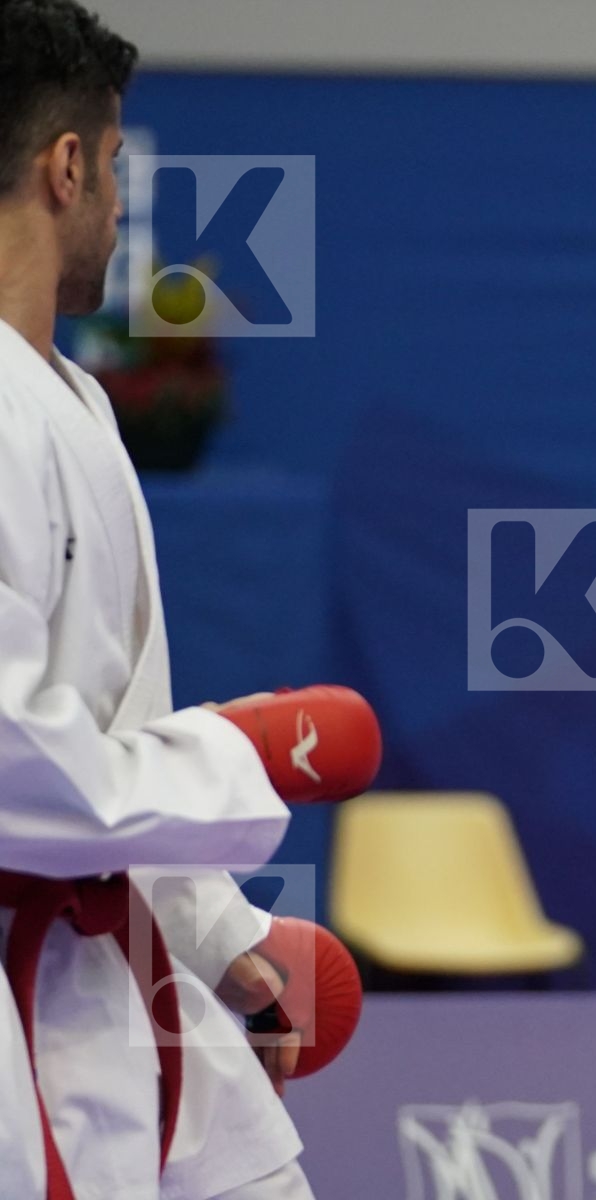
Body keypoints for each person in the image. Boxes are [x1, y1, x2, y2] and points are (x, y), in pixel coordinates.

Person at [0, 2, 352, 1196]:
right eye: (115, 167)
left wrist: (212, 925)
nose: (116, 201)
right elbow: (8, 754)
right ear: (66, 166)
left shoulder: (76, 403)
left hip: (111, 974)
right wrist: (242, 751)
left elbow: (113, 737)